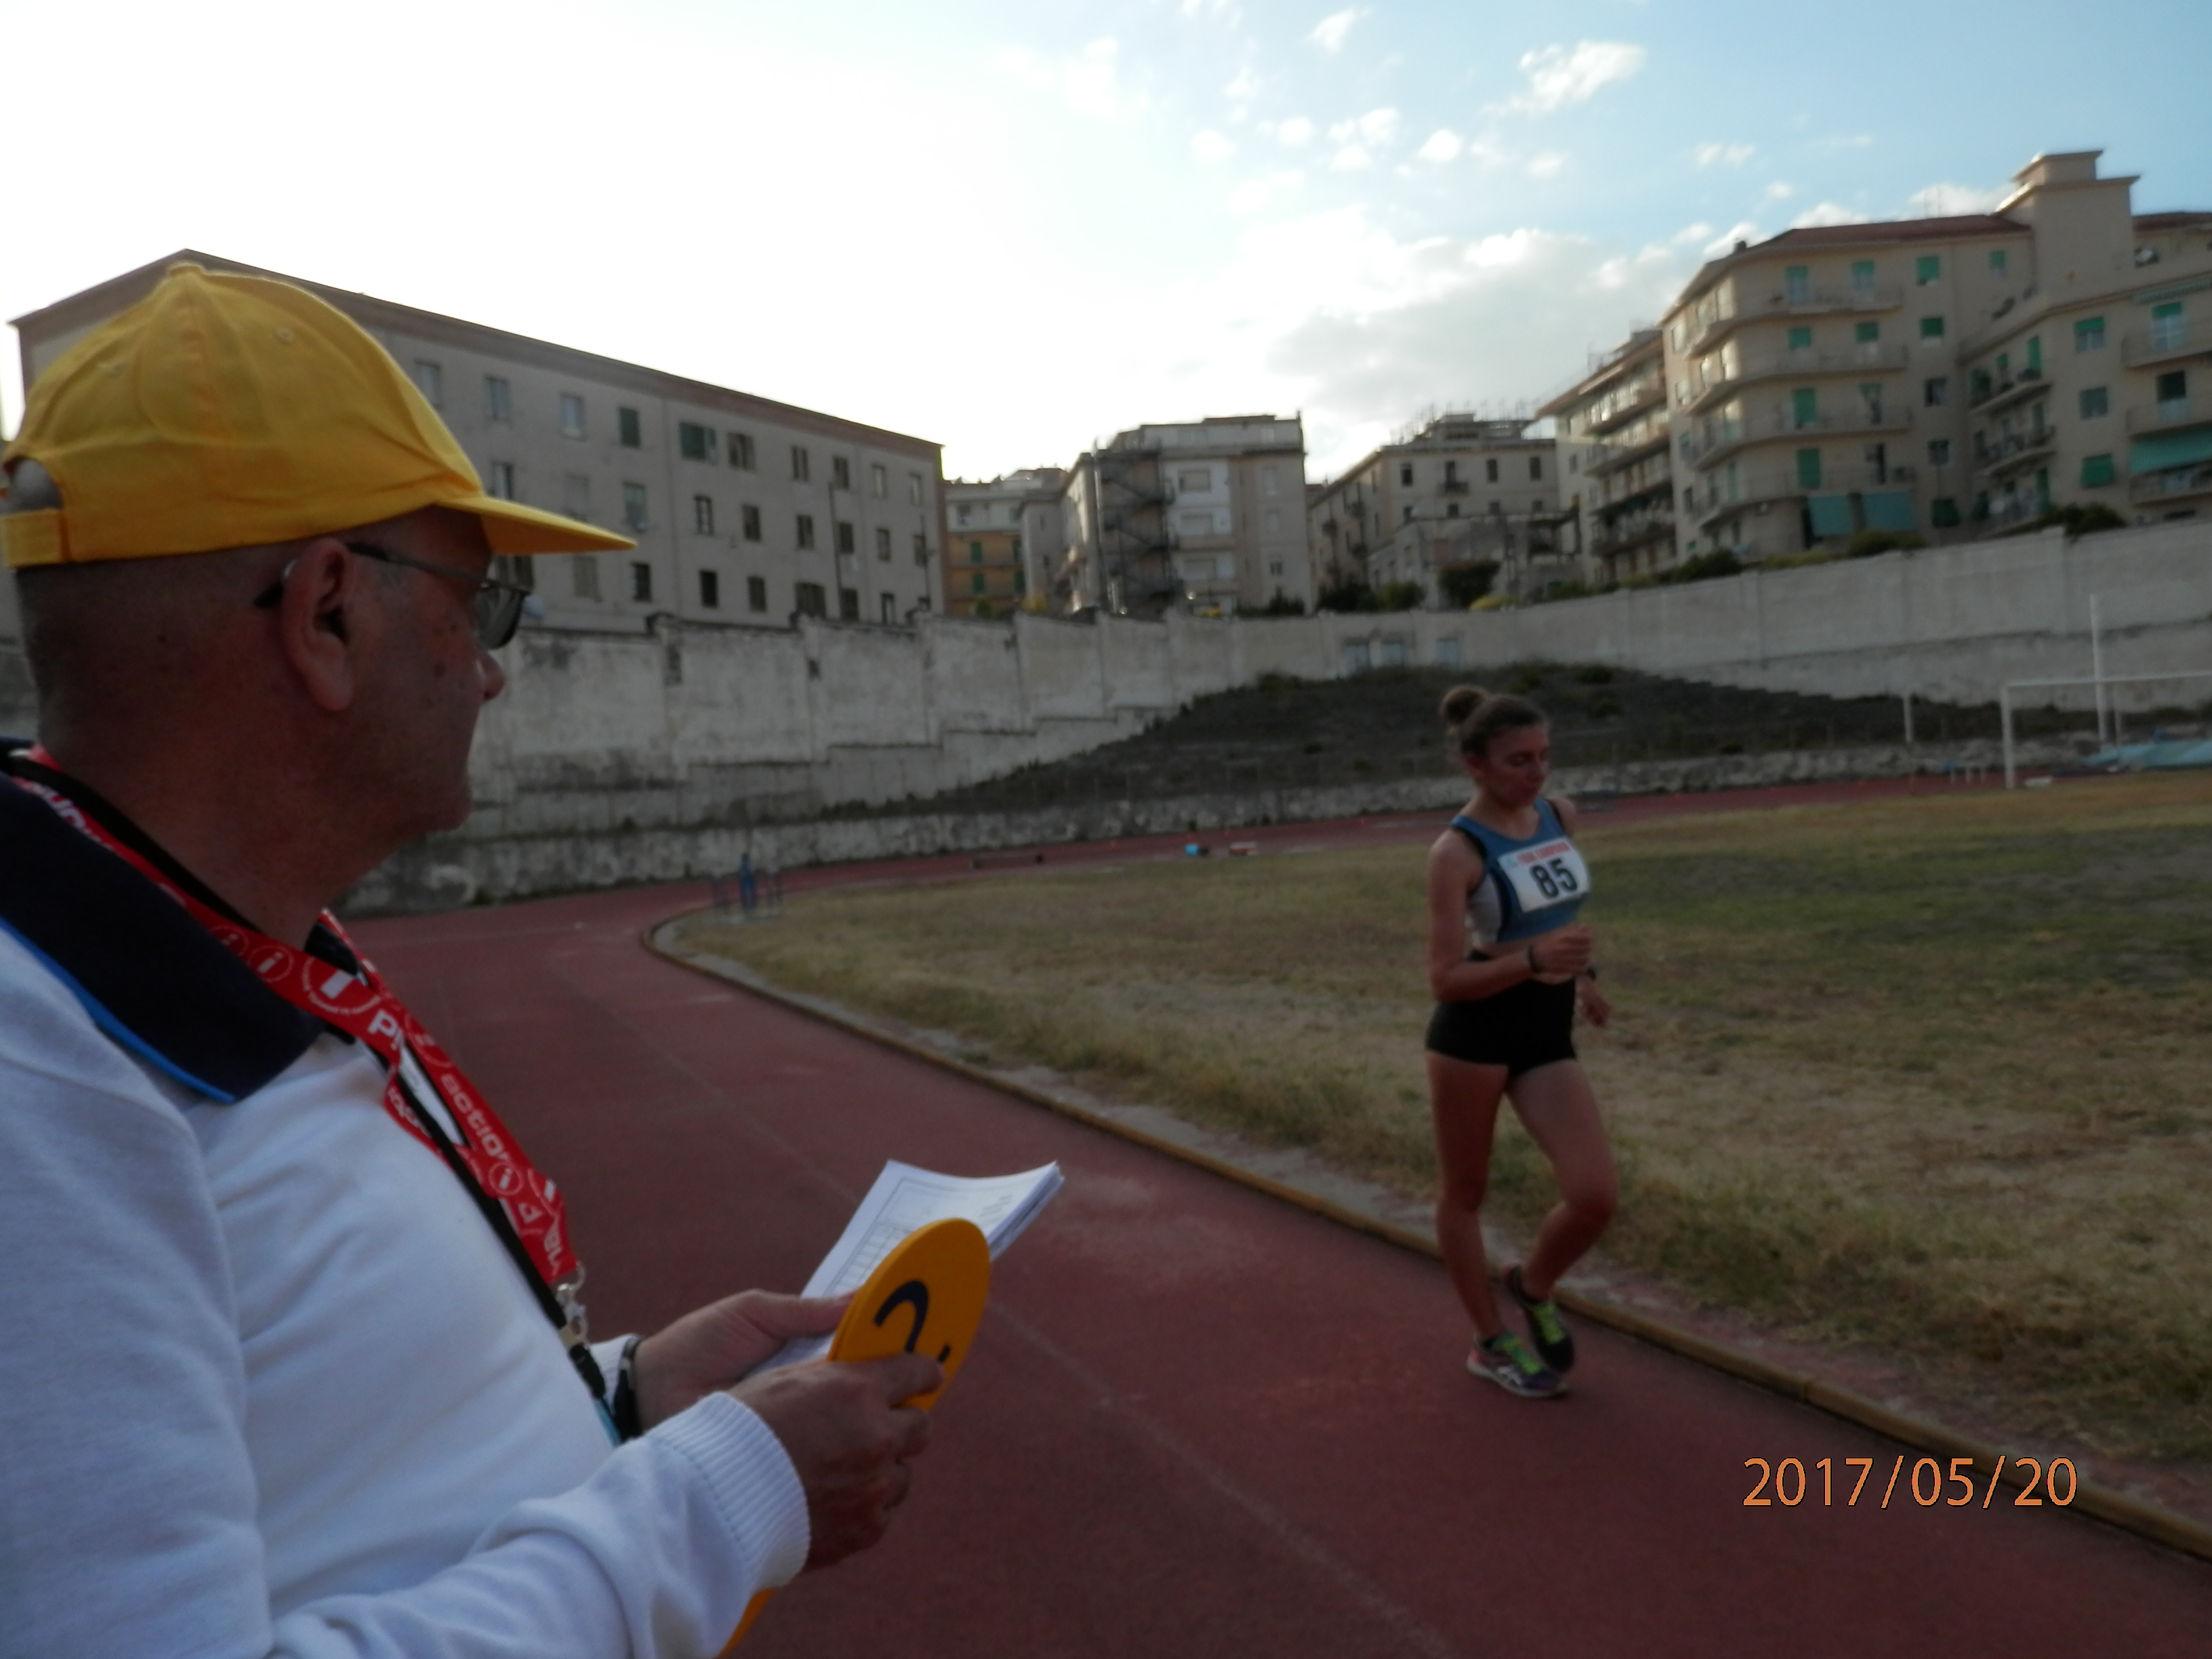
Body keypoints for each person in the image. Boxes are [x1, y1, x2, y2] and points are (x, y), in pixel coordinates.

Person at [0, 263, 941, 1658]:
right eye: (484, 603)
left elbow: (344, 1466)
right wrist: (716, 1499)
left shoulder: (221, 954)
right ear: (328, 611)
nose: (495, 669)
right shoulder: (42, 1077)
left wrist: (621, 1400)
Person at [1422, 684, 1618, 1399]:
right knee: (1465, 1194)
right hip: (1474, 1033)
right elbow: (1445, 979)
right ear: (1474, 764)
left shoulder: (1558, 815)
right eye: (1518, 761)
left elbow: (1553, 912)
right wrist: (1534, 962)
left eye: (1543, 757)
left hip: (1544, 1026)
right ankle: (1490, 1343)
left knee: (1594, 1195)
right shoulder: (1455, 853)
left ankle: (1532, 1285)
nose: (1536, 773)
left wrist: (1581, 976)